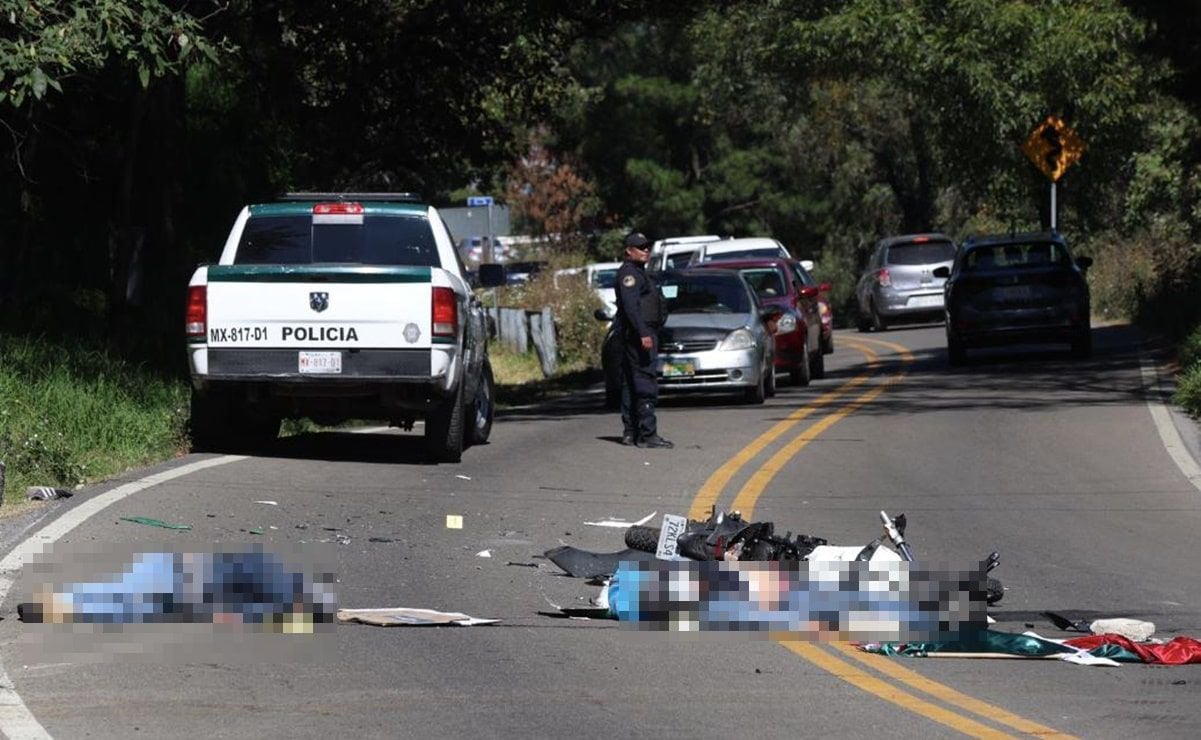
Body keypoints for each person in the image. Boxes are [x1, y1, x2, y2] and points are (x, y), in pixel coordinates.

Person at [614, 231, 672, 448]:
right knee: (644, 382)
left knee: (631, 384)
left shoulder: (639, 273)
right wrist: (643, 333)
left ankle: (631, 432)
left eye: (647, 247)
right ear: (629, 251)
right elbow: (630, 307)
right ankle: (647, 435)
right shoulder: (629, 275)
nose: (646, 250)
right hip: (640, 335)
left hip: (640, 333)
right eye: (641, 247)